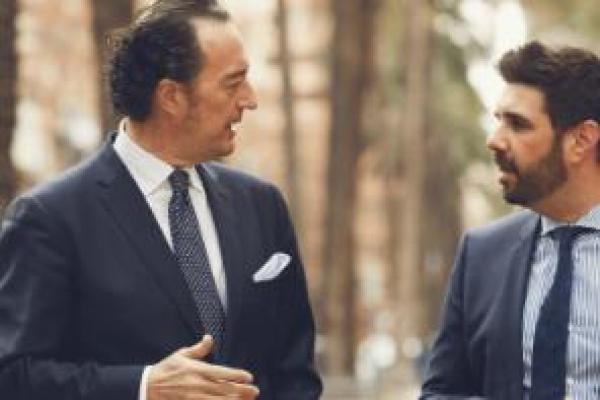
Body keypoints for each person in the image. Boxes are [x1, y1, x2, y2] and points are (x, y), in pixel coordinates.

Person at [0, 1, 322, 399]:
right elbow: (14, 377)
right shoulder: (48, 219)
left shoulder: (263, 206)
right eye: (232, 83)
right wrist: (142, 386)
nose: (250, 99)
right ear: (171, 96)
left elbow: (296, 375)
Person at [420, 41, 600, 399]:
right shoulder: (481, 254)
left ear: (581, 140)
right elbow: (441, 392)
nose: (495, 141)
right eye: (498, 121)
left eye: (518, 125)